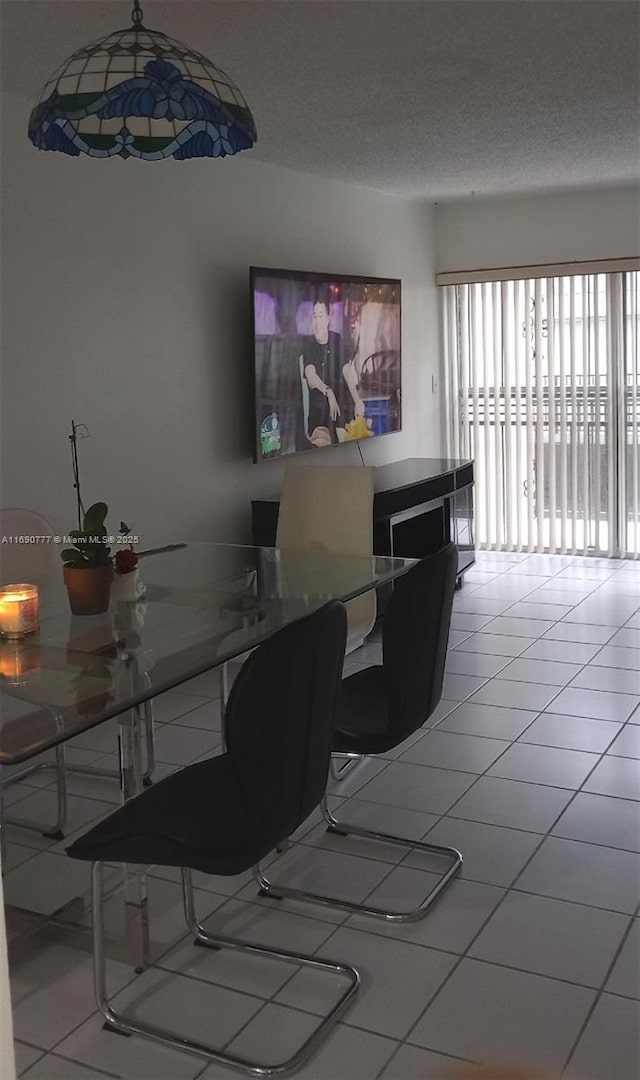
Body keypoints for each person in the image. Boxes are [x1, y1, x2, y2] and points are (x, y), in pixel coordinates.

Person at [302, 296, 365, 446]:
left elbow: (346, 370)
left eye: (320, 316)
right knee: (323, 442)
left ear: (328, 319)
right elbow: (311, 376)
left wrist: (357, 400)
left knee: (354, 435)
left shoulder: (336, 339)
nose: (317, 322)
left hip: (341, 408)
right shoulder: (309, 344)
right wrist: (328, 392)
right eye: (314, 316)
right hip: (319, 410)